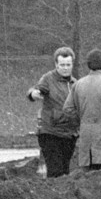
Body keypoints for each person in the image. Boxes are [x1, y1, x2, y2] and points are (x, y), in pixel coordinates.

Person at [27, 46, 78, 177]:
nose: (65, 68)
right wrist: (33, 94)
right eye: (62, 65)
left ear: (72, 64)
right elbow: (37, 90)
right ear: (56, 64)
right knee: (56, 171)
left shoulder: (76, 84)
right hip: (50, 133)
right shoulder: (48, 79)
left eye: (68, 64)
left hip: (69, 134)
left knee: (65, 171)